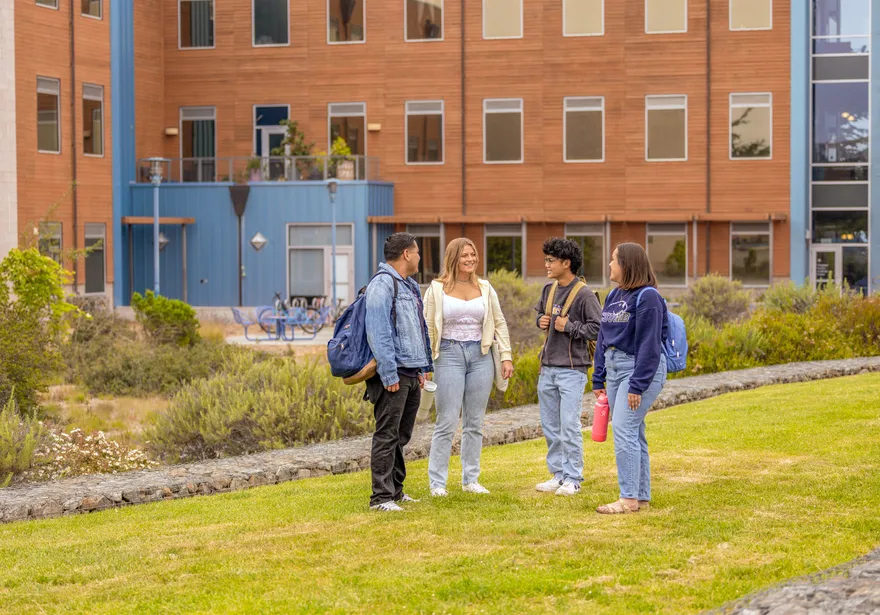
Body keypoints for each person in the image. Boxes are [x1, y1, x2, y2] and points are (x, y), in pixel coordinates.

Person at [424, 238, 514, 497]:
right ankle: (437, 483)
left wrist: (506, 356)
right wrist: (425, 363)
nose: (471, 259)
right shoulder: (436, 289)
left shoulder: (485, 288)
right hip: (448, 356)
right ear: (453, 258)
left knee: (474, 422)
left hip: (481, 355)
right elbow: (427, 326)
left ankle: (470, 479)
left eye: (473, 254)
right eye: (465, 255)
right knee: (447, 421)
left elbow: (499, 322)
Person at [592, 242, 668, 514]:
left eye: (614, 260)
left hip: (638, 369)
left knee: (624, 429)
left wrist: (637, 384)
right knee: (634, 431)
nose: (610, 265)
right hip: (614, 369)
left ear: (627, 265)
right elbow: (603, 338)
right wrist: (598, 377)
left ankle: (628, 499)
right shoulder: (614, 295)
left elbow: (650, 345)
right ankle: (641, 497)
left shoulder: (648, 297)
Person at [364, 232, 433, 512]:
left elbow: (418, 329)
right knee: (387, 434)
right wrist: (389, 374)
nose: (418, 257)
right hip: (392, 375)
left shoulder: (411, 286)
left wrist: (421, 367)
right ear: (406, 254)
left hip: (410, 371)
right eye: (416, 252)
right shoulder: (382, 284)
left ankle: (396, 491)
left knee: (401, 436)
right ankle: (380, 498)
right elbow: (379, 332)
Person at [534, 238, 602, 496]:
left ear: (567, 263)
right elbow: (539, 315)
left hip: (573, 370)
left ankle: (573, 478)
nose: (547, 264)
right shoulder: (548, 290)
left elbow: (598, 329)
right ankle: (558, 475)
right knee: (550, 426)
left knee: (569, 425)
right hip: (548, 367)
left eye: (551, 261)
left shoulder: (584, 294)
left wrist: (569, 327)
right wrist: (540, 320)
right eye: (546, 260)